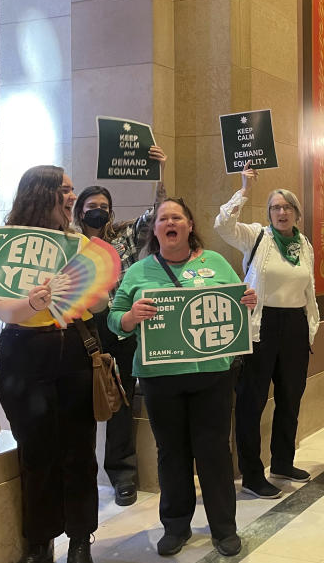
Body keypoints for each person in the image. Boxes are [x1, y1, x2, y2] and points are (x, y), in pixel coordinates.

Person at [108, 198, 256, 558]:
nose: (170, 222)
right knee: (171, 454)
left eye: (177, 217)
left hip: (213, 376)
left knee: (214, 454)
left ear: (190, 225)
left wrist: (246, 299)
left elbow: (237, 298)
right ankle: (175, 526)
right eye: (163, 219)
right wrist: (129, 318)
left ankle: (224, 529)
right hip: (160, 379)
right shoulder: (138, 271)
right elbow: (114, 320)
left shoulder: (216, 262)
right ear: (155, 229)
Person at [0, 166, 107, 563]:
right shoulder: (6, 243)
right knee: (36, 452)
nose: (72, 197)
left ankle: (80, 539)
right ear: (41, 194)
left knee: (79, 451)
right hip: (23, 354)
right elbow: (4, 309)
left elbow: (99, 304)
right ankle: (40, 541)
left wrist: (94, 290)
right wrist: (33, 303)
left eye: (73, 189)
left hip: (74, 349)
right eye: (65, 189)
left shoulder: (80, 244)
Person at [214, 161, 319, 499]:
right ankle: (252, 474)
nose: (281, 212)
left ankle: (283, 462)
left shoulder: (304, 244)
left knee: (291, 398)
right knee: (252, 401)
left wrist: (310, 327)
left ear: (297, 213)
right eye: (275, 207)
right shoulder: (256, 235)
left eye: (287, 207)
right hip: (261, 327)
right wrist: (244, 189)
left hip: (294, 326)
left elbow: (308, 288)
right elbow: (223, 225)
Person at [72, 147, 167, 507]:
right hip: (80, 325)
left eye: (104, 205)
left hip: (117, 324)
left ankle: (122, 472)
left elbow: (157, 214)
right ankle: (81, 471)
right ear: (80, 209)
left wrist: (160, 172)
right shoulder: (69, 241)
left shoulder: (125, 235)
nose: (98, 210)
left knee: (121, 399)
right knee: (80, 399)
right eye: (91, 204)